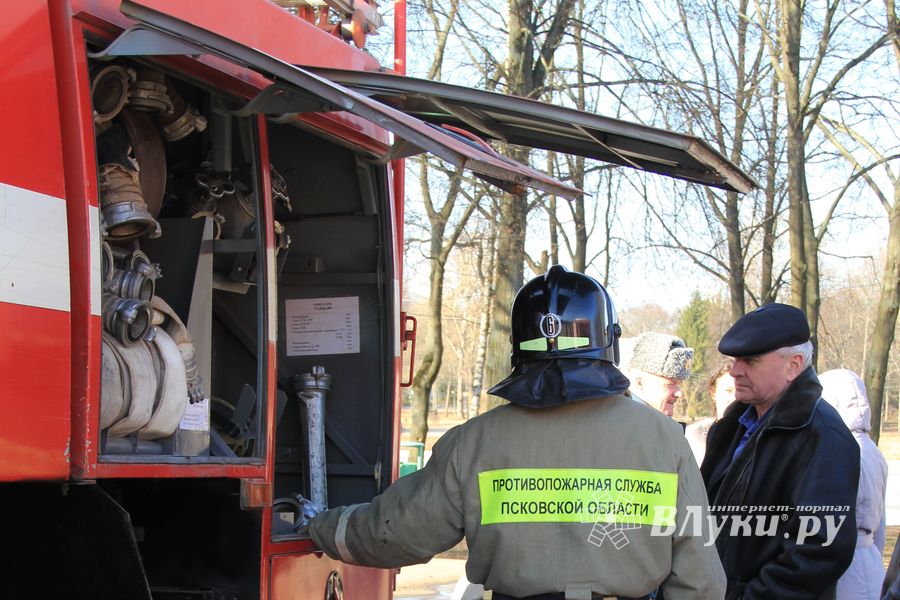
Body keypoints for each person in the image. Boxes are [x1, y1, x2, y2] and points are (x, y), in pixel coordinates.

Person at [308, 266, 726, 599]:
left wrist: (320, 527)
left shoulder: (474, 441)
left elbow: (396, 533)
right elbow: (701, 579)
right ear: (608, 341)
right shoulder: (664, 438)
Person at [701, 303, 860, 600]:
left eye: (750, 360)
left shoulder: (823, 435)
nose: (735, 370)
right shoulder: (731, 427)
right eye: (735, 360)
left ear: (794, 365)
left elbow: (818, 551)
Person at [818, 369, 889, 600]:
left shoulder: (839, 449)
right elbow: (880, 522)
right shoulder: (874, 451)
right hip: (870, 559)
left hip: (843, 563)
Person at [626, 332, 693, 417]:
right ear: (640, 383)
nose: (679, 393)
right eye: (670, 384)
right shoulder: (621, 424)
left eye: (678, 384)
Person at [685, 359, 735, 463]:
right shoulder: (693, 436)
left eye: (738, 390)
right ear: (713, 393)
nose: (734, 398)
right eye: (728, 391)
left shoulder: (749, 435)